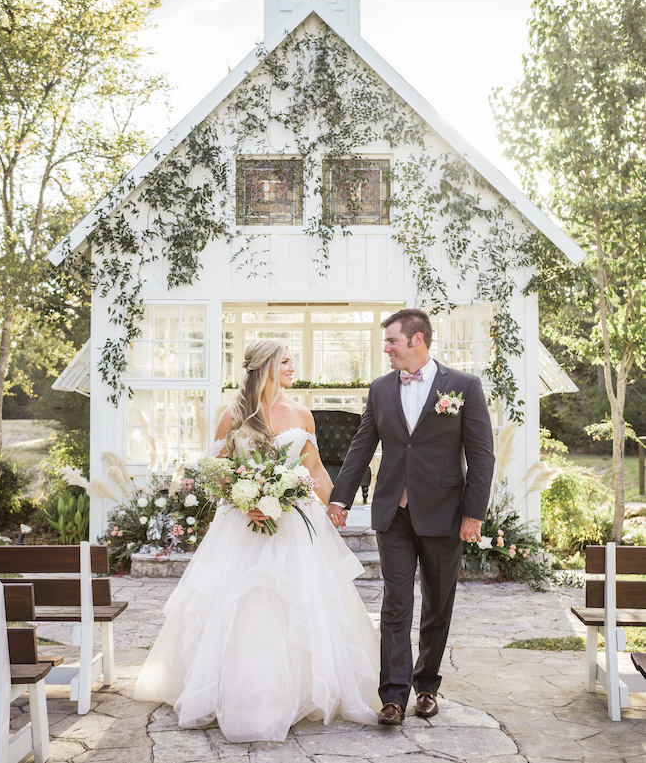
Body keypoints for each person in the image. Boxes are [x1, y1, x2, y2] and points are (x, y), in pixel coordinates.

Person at [134, 338, 380, 742]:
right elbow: (215, 470)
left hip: (295, 527)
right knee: (244, 604)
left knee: (298, 603)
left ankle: (302, 690)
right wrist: (242, 498)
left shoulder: (302, 414)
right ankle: (243, 694)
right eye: (284, 361)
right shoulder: (233, 416)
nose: (291, 367)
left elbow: (313, 466)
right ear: (264, 366)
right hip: (242, 528)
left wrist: (336, 505)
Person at [327, 308, 494, 726]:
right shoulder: (381, 389)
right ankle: (393, 697)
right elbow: (361, 446)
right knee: (396, 603)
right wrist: (340, 500)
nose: (386, 350)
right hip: (393, 514)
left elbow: (482, 457)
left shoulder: (463, 387)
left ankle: (426, 688)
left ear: (416, 341)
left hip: (444, 515)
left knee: (438, 606)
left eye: (392, 342)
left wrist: (473, 514)